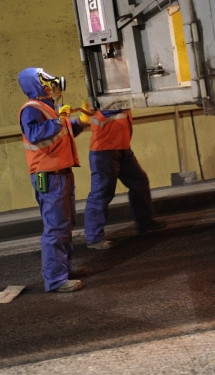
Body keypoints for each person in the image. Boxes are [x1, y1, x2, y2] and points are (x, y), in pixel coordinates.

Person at [18, 67, 90, 293]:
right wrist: (59, 120)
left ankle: (64, 268)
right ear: (38, 85)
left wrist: (81, 121)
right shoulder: (31, 109)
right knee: (55, 227)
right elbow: (35, 134)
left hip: (62, 172)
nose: (54, 87)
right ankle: (55, 279)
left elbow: (62, 136)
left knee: (66, 224)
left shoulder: (51, 108)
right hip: (47, 176)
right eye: (48, 83)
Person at [84, 108, 166, 249]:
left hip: (122, 148)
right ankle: (94, 238)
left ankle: (144, 222)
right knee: (101, 193)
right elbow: (110, 110)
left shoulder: (119, 98)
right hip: (104, 151)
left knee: (139, 181)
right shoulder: (108, 100)